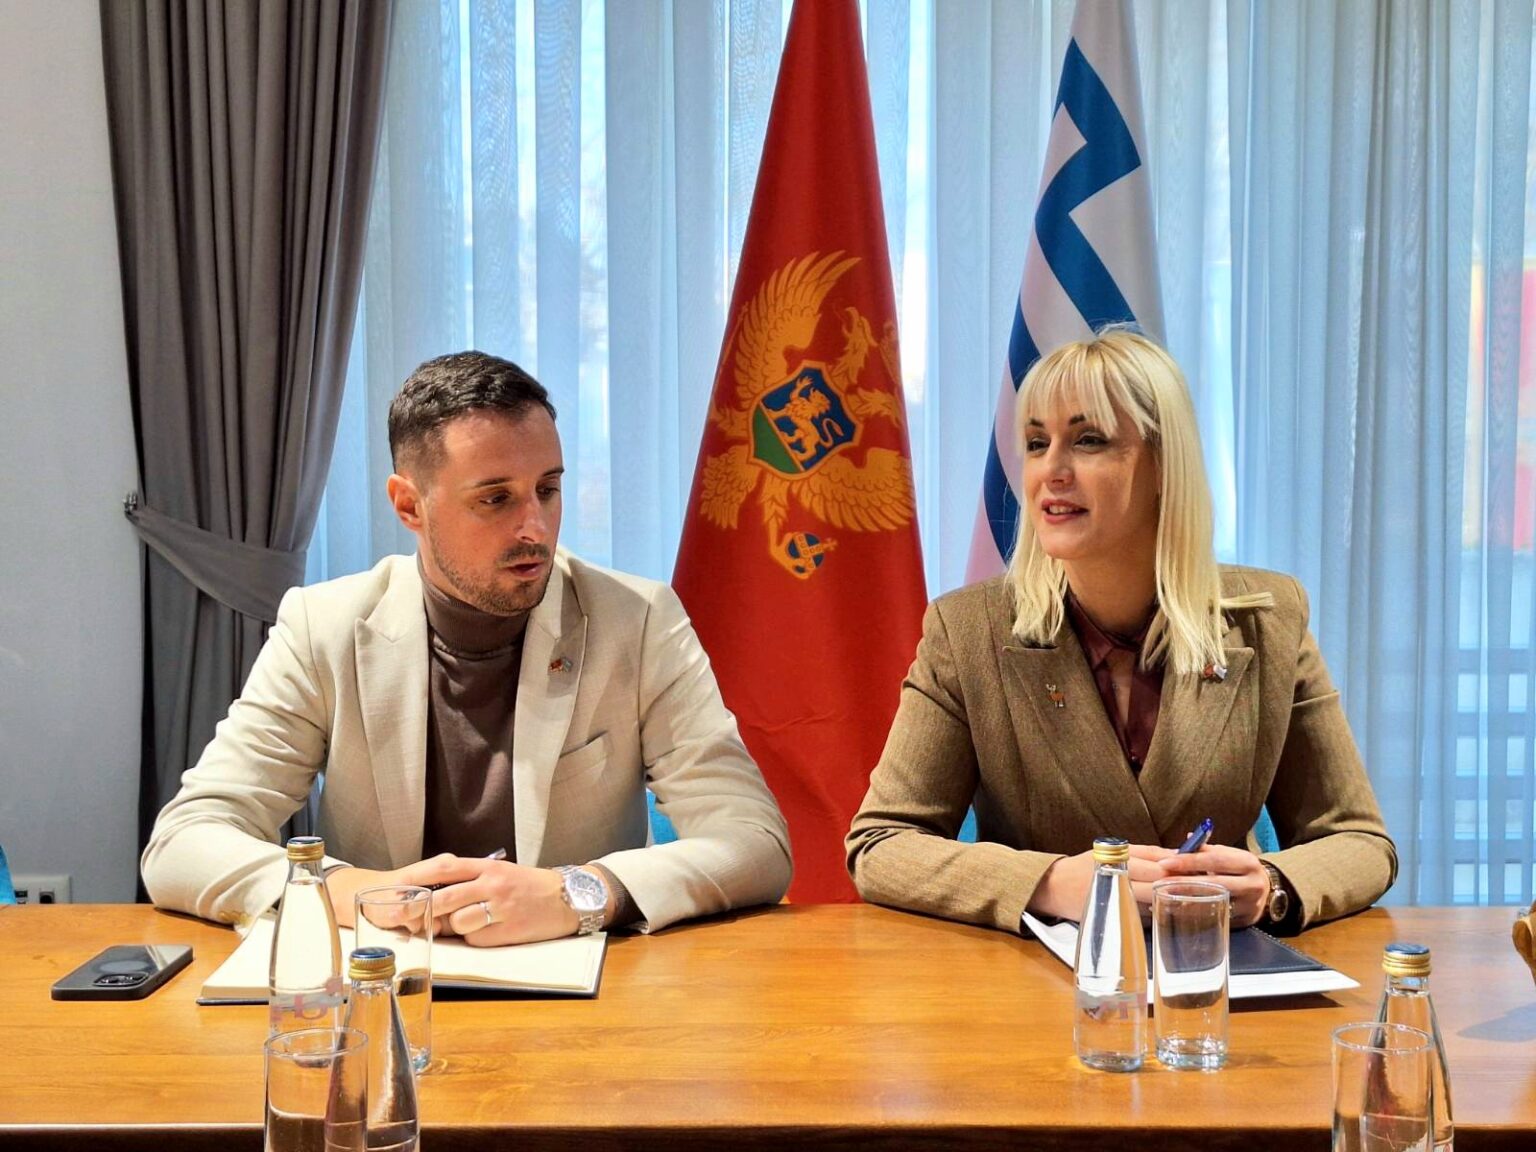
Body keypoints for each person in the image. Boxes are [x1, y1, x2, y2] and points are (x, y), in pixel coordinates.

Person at [144, 352, 792, 942]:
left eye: (547, 489)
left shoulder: (638, 621)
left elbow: (755, 840)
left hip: (579, 986)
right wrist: (349, 891)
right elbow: (184, 841)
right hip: (383, 985)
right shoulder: (325, 626)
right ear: (410, 506)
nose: (535, 526)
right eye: (496, 498)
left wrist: (580, 892)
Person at [846, 328, 1395, 935]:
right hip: (1036, 976)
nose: (1051, 470)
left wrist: (1272, 886)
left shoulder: (1269, 619)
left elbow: (1359, 841)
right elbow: (882, 845)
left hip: (1215, 968)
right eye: (1036, 443)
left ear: (1163, 464)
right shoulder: (968, 630)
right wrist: (1051, 883)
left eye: (1089, 441)